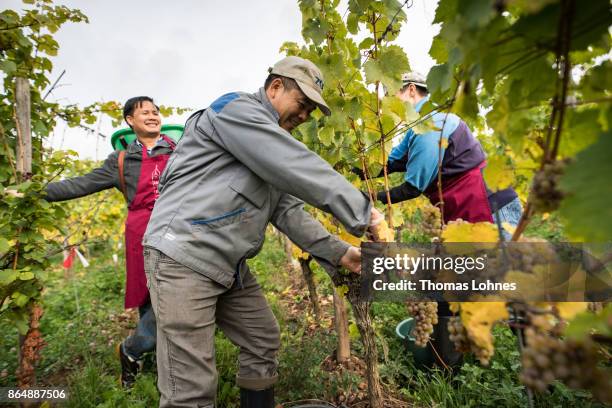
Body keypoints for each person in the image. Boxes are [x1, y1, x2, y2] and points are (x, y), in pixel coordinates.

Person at [142, 56, 383, 408]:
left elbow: (287, 211)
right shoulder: (235, 110)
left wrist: (342, 253)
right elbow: (290, 161)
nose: (304, 117)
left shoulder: (264, 148)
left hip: (227, 264)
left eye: (310, 113)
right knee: (190, 389)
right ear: (275, 87)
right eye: (302, 105)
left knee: (261, 337)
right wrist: (363, 213)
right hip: (184, 257)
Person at [43, 96, 176, 387]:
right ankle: (149, 361)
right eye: (145, 112)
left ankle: (134, 349)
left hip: (180, 234)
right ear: (130, 120)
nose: (153, 116)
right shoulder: (120, 161)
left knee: (170, 300)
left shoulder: (181, 150)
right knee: (149, 299)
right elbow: (81, 184)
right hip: (143, 236)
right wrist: (35, 193)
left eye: (156, 112)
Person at [360, 72, 522, 234]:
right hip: (469, 210)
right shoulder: (418, 127)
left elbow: (412, 188)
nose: (387, 102)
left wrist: (366, 198)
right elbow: (391, 162)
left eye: (390, 94)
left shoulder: (432, 123)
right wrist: (353, 169)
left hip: (493, 209)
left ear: (411, 90)